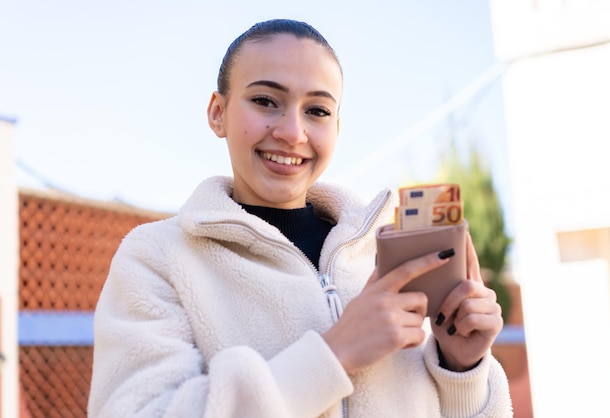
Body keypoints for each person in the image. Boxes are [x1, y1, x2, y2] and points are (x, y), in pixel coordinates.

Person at [88, 18, 512, 418]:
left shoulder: (382, 257)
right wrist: (334, 354)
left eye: (318, 111)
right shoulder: (156, 258)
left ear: (337, 128)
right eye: (265, 101)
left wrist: (462, 371)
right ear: (218, 112)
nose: (293, 132)